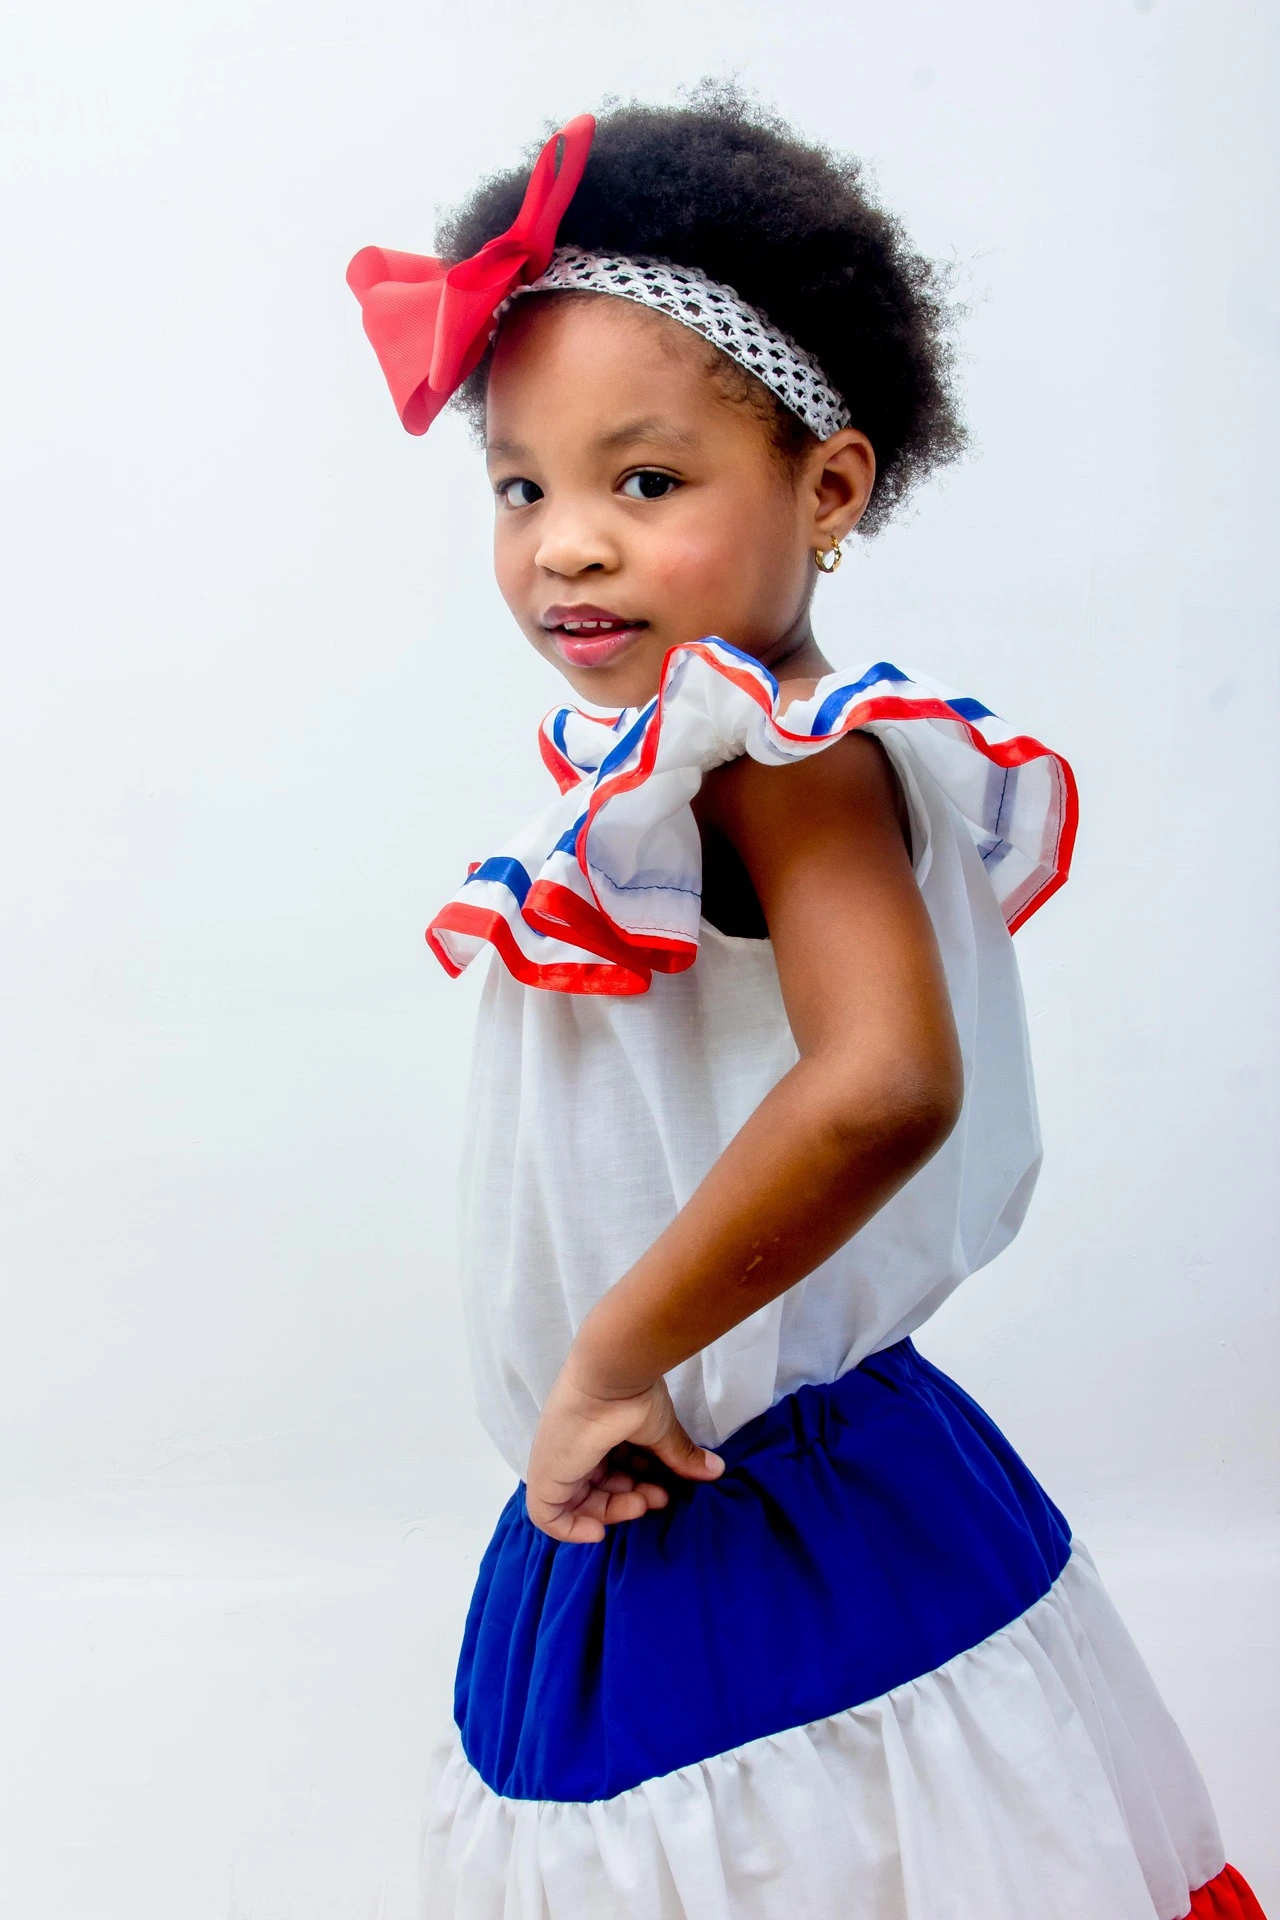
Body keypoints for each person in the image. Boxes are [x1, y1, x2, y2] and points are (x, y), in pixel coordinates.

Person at [347, 87, 1266, 1920]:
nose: (567, 544)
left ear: (828, 487)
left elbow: (884, 1083)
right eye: (521, 485)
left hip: (726, 1471)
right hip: (721, 1472)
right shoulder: (705, 764)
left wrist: (613, 1358)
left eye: (647, 479)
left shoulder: (775, 757)